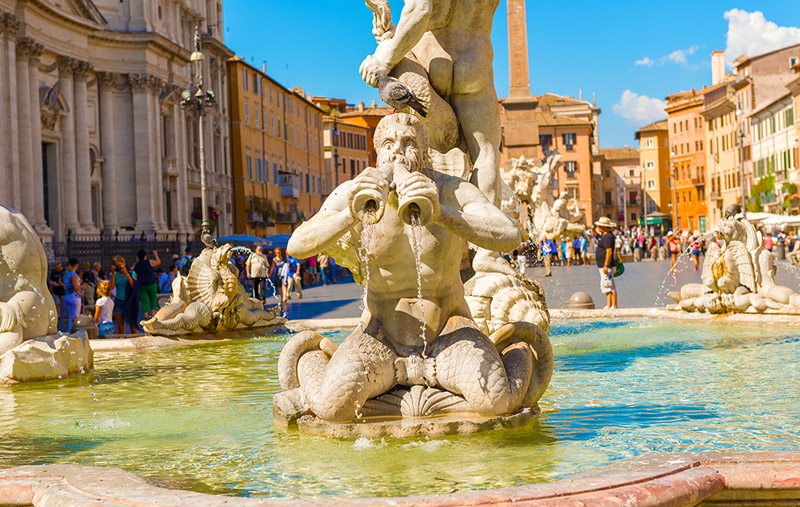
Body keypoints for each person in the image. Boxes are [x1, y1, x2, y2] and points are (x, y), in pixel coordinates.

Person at [285, 113, 523, 420]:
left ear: (424, 152)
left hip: (448, 331)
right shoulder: (354, 191)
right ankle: (314, 361)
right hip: (381, 335)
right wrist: (351, 214)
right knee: (333, 408)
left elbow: (509, 235)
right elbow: (297, 245)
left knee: (495, 402)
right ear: (377, 152)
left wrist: (441, 213)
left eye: (408, 143)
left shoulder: (451, 190)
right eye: (388, 143)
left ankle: (516, 351)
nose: (397, 151)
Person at [594, 217, 618, 310]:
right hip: (604, 265)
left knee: (610, 285)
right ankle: (609, 304)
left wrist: (606, 265)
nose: (598, 227)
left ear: (604, 227)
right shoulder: (606, 236)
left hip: (607, 265)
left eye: (600, 226)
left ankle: (614, 305)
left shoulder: (608, 237)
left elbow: (609, 251)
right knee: (606, 285)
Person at [133, 249, 161, 320]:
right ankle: (153, 315)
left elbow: (132, 269)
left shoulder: (137, 264)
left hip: (142, 284)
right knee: (153, 299)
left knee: (144, 301)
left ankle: (145, 316)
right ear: (145, 256)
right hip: (151, 282)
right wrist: (156, 255)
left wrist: (137, 261)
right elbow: (158, 262)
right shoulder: (149, 262)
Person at [109, 255, 134, 334]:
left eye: (120, 265)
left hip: (128, 302)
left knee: (133, 327)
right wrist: (113, 273)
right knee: (120, 328)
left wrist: (126, 273)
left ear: (124, 263)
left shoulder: (131, 272)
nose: (119, 267)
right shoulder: (115, 274)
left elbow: (133, 285)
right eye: (117, 266)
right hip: (118, 301)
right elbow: (112, 287)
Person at [62, 258, 85, 333]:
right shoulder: (73, 275)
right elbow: (76, 287)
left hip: (67, 296)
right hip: (74, 297)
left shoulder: (66, 274)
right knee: (75, 317)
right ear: (76, 265)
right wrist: (82, 287)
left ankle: (69, 331)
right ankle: (73, 332)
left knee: (70, 317)